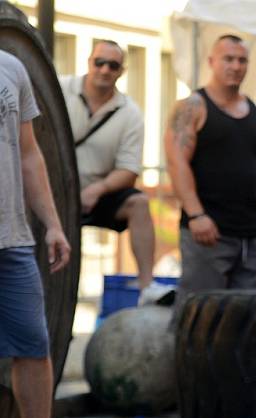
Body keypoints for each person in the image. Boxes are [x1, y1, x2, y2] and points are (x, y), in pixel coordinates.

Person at [0, 50, 91, 418]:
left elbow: (29, 154)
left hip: (11, 237)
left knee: (34, 344)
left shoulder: (12, 67)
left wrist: (54, 224)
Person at [165, 34, 256, 310]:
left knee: (246, 322)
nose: (236, 66)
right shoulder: (192, 107)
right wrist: (196, 214)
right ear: (212, 61)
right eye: (228, 58)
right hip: (207, 235)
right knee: (199, 318)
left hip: (250, 237)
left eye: (242, 60)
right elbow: (176, 162)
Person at [60, 40, 168, 304]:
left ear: (121, 71)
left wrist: (96, 190)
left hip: (97, 192)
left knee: (139, 203)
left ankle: (147, 286)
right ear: (89, 62)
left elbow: (129, 170)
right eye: (100, 62)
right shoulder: (60, 89)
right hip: (53, 190)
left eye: (113, 65)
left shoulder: (130, 113)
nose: (105, 69)